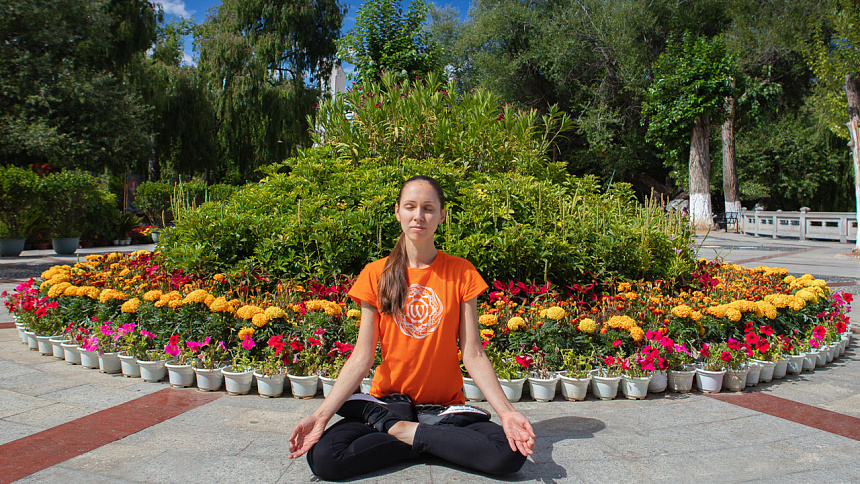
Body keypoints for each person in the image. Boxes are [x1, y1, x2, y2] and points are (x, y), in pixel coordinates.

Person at [288, 175, 535, 480]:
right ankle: (430, 441)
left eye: (428, 208)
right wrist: (320, 416)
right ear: (397, 212)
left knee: (509, 454)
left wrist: (508, 414)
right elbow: (362, 356)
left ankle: (408, 435)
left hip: (445, 411)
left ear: (442, 215)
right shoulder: (375, 273)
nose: (419, 216)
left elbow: (473, 354)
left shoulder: (462, 272)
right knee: (325, 458)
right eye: (410, 207)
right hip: (388, 407)